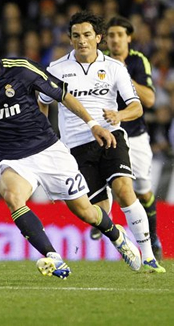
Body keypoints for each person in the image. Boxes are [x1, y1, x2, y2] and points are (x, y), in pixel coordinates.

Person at [0, 28, 141, 280]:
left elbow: (63, 95)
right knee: (13, 197)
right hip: (10, 157)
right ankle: (54, 257)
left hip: (47, 149)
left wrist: (92, 124)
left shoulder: (22, 69)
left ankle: (116, 235)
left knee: (86, 211)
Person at [38, 10, 165, 273]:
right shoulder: (56, 69)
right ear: (70, 39)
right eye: (75, 36)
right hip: (76, 146)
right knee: (97, 213)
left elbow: (137, 107)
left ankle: (149, 255)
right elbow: (44, 101)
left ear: (98, 37)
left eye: (86, 35)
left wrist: (118, 114)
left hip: (110, 136)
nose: (81, 40)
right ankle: (119, 237)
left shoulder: (115, 67)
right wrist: (44, 134)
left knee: (125, 190)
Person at [95, 15, 162, 260]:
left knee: (143, 191)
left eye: (120, 35)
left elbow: (151, 100)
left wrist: (123, 74)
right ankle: (101, 219)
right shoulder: (99, 62)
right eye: (111, 35)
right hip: (109, 134)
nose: (115, 39)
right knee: (112, 183)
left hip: (135, 135)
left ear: (129, 38)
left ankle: (152, 238)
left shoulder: (137, 61)